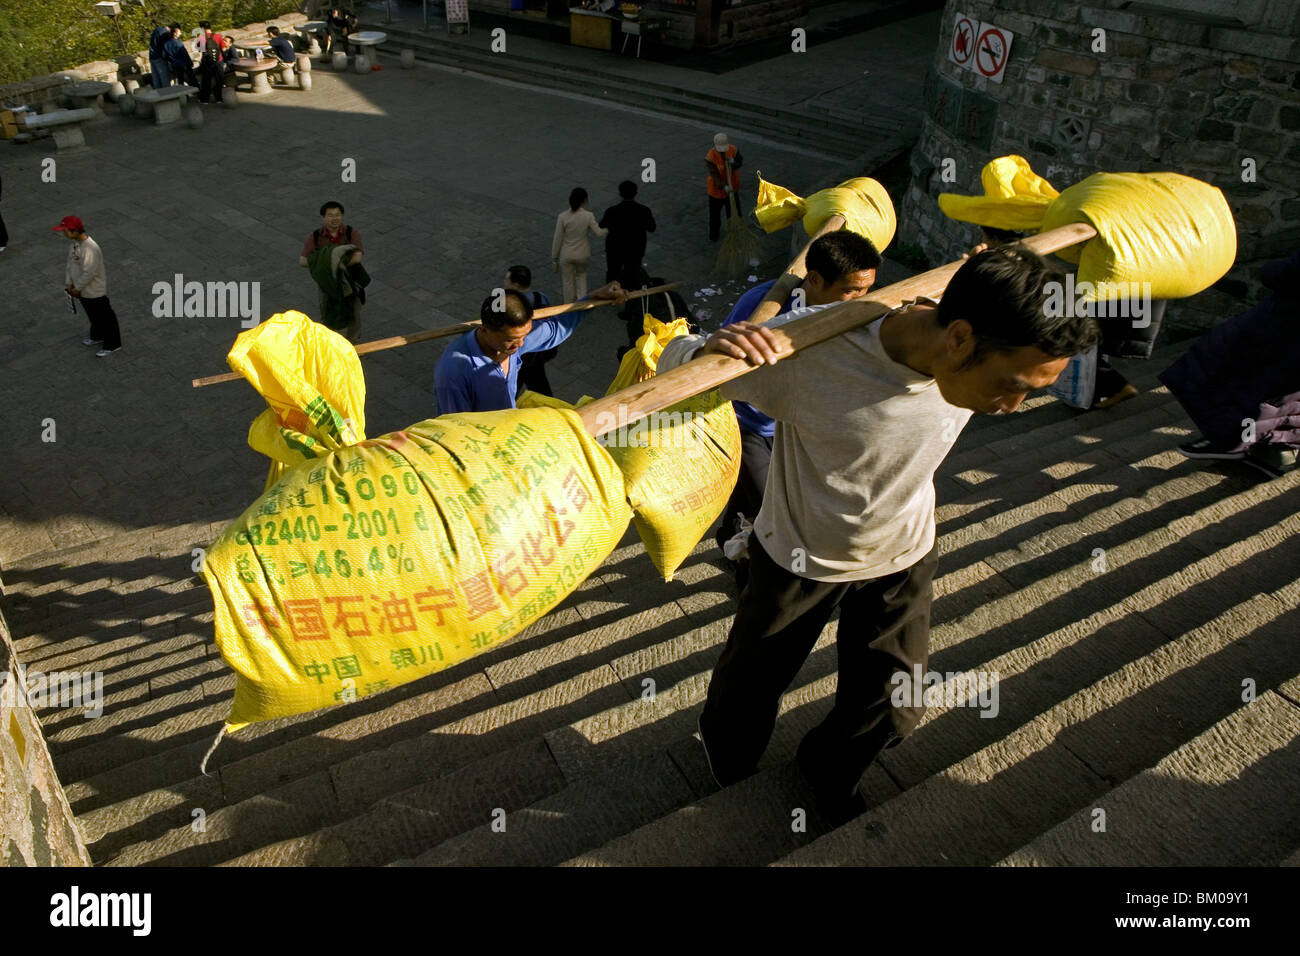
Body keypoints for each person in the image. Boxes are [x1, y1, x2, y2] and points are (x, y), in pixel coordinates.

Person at [655, 246, 1099, 823]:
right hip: (799, 553)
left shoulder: (957, 316)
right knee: (751, 687)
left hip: (903, 550)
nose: (1013, 408)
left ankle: (828, 770)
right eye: (1011, 386)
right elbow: (672, 367)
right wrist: (711, 350)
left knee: (891, 706)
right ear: (960, 339)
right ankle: (729, 767)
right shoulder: (807, 352)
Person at [714, 230, 882, 588]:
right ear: (816, 279)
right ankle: (749, 576)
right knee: (771, 509)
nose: (860, 299)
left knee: (757, 495)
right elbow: (718, 364)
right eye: (852, 290)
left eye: (867, 289)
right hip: (745, 422)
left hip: (792, 424)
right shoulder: (761, 307)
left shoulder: (848, 313)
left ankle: (727, 534)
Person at [1161, 250, 1300, 479]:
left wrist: (1269, 270)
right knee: (1285, 393)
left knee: (1229, 370)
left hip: (1286, 326)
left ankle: (1231, 440)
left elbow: (1288, 273)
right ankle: (1277, 449)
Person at [435, 282, 626, 415]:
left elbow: (554, 329)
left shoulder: (516, 340)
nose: (520, 345)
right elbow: (453, 427)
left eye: (525, 335)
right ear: (485, 330)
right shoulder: (453, 371)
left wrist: (591, 299)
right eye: (512, 339)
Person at [53, 216, 122, 357]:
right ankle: (97, 336)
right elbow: (69, 265)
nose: (63, 234)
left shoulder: (90, 248)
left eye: (65, 231)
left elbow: (89, 272)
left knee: (105, 317)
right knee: (93, 315)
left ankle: (113, 344)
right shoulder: (74, 244)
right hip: (80, 290)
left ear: (75, 230)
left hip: (93, 291)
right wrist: (69, 283)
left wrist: (76, 288)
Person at [299, 201, 365, 341]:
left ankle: (354, 344)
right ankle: (331, 345)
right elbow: (303, 261)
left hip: (350, 281)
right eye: (330, 215)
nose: (334, 218)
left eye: (337, 215)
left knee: (354, 312)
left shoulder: (351, 233)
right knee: (327, 313)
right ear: (323, 217)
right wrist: (327, 263)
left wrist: (338, 263)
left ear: (342, 216)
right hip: (327, 284)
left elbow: (358, 257)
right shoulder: (316, 237)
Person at [504, 265, 558, 398]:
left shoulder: (510, 305)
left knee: (519, 384)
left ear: (515, 284)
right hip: (539, 351)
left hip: (522, 353)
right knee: (537, 383)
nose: (505, 283)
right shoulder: (541, 297)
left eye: (507, 280)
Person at [552, 187, 607, 303]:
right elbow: (599, 232)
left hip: (566, 254)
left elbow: (557, 239)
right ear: (584, 201)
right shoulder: (588, 216)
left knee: (567, 282)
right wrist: (609, 228)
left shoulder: (562, 217)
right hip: (583, 254)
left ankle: (568, 304)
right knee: (581, 277)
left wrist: (554, 257)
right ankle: (582, 302)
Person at [599, 180, 657, 290]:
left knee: (613, 271)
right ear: (636, 193)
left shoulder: (612, 211)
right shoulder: (643, 210)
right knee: (633, 270)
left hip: (615, 247)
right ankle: (631, 290)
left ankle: (611, 291)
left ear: (620, 193)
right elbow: (652, 228)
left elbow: (602, 225)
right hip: (635, 248)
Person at [706, 132, 743, 242]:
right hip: (716, 192)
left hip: (732, 188)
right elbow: (714, 174)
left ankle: (735, 232)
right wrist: (724, 186)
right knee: (715, 216)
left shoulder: (733, 150)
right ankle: (713, 235)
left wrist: (734, 162)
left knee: (734, 212)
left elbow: (740, 162)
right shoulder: (710, 157)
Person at [196, 21, 225, 104]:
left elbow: (200, 50)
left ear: (202, 28)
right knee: (219, 80)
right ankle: (219, 99)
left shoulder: (201, 37)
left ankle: (205, 100)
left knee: (206, 81)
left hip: (206, 62)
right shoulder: (218, 36)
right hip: (218, 60)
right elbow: (223, 49)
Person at [148, 22, 179, 89]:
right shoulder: (164, 33)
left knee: (156, 79)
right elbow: (166, 47)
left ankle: (159, 96)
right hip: (159, 57)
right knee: (164, 79)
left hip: (152, 57)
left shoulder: (157, 29)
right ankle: (168, 96)